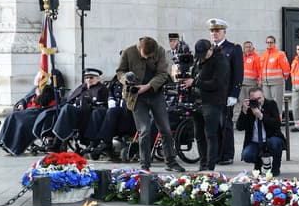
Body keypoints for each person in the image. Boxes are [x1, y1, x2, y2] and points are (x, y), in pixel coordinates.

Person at [116, 36, 185, 172]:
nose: (147, 58)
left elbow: (162, 74)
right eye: (145, 55)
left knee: (165, 129)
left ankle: (170, 162)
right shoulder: (128, 52)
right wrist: (126, 79)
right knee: (144, 130)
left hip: (155, 93)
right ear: (139, 48)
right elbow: (120, 72)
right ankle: (144, 165)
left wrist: (147, 86)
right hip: (136, 97)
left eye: (150, 56)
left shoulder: (159, 51)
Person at [187, 39, 230, 171]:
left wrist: (195, 82)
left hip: (212, 102)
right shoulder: (199, 60)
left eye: (204, 55)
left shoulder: (220, 61)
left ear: (210, 49)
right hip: (197, 101)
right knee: (198, 135)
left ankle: (210, 166)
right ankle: (202, 163)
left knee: (210, 134)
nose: (202, 58)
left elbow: (216, 83)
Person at [207, 18, 243, 165]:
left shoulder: (233, 48)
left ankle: (227, 154)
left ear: (224, 32)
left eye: (217, 31)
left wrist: (234, 94)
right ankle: (216, 154)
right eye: (212, 31)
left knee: (226, 125)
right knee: (214, 125)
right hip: (212, 95)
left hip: (226, 94)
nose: (214, 34)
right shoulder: (209, 49)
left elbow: (238, 73)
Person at [0, 72, 58, 155]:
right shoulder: (35, 89)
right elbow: (25, 99)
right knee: (11, 117)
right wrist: (21, 104)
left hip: (37, 113)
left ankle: (14, 146)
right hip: (28, 110)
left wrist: (39, 94)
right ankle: (5, 141)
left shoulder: (49, 91)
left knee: (19, 119)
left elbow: (43, 102)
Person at [51, 67, 109, 147]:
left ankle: (57, 142)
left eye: (91, 77)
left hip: (89, 113)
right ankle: (54, 138)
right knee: (56, 109)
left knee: (67, 109)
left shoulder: (102, 89)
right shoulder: (82, 87)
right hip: (77, 112)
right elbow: (71, 99)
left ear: (98, 78)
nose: (88, 80)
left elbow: (102, 104)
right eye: (86, 78)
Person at [237, 86, 286, 176]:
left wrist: (261, 116)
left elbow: (277, 124)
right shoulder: (248, 108)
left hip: (270, 138)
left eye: (259, 98)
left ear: (263, 96)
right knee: (247, 155)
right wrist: (243, 111)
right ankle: (258, 164)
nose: (258, 101)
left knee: (275, 143)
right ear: (249, 99)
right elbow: (239, 127)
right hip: (255, 142)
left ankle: (275, 168)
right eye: (254, 99)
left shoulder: (271, 104)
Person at [258, 35, 291, 115]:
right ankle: (269, 122)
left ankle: (277, 123)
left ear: (274, 43)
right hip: (266, 83)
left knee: (277, 104)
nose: (269, 44)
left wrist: (284, 78)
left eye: (271, 42)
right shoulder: (263, 55)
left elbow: (286, 68)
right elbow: (260, 69)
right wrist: (260, 80)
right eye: (268, 42)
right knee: (267, 104)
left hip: (277, 83)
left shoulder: (280, 54)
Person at [238, 41, 260, 118]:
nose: (248, 48)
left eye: (249, 47)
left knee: (252, 103)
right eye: (246, 47)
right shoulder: (241, 57)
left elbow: (259, 70)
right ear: (244, 48)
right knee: (243, 103)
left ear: (252, 47)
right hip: (242, 84)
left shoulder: (256, 57)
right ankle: (244, 119)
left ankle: (253, 119)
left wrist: (259, 82)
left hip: (252, 84)